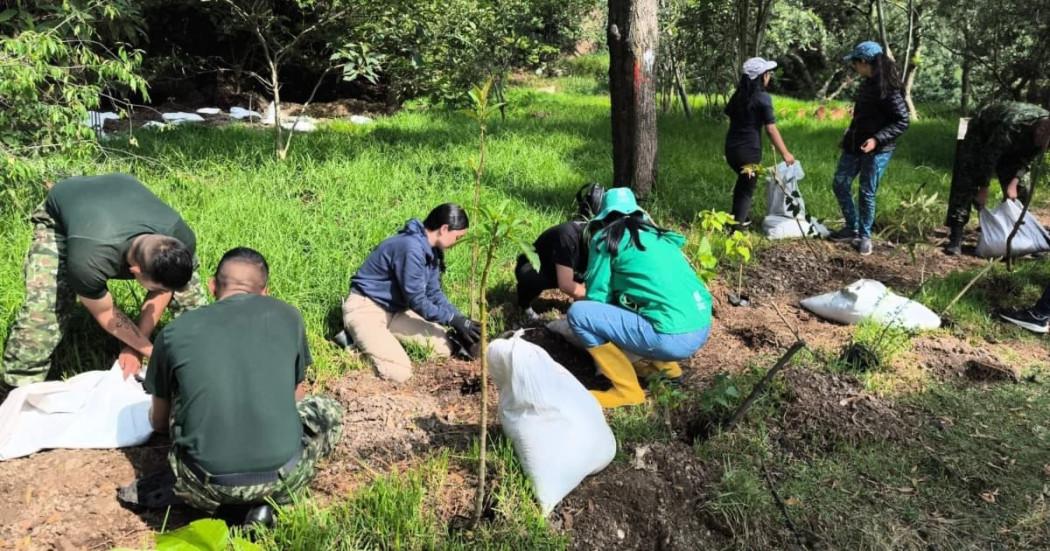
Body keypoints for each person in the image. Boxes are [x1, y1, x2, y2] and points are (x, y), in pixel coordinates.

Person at [144, 247, 342, 521]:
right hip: (284, 479)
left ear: (213, 286)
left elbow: (158, 422)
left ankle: (224, 509)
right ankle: (265, 506)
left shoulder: (174, 333)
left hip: (202, 486)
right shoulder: (289, 316)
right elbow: (296, 398)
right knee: (328, 409)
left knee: (182, 396)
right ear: (265, 292)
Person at [0, 173, 206, 388]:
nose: (163, 291)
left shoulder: (180, 238)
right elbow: (106, 313)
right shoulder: (89, 259)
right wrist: (154, 354)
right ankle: (17, 385)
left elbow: (164, 290)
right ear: (134, 271)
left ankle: (204, 364)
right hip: (64, 213)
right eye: (154, 286)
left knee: (192, 300)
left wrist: (136, 346)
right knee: (44, 310)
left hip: (119, 195)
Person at [567, 188, 713, 409]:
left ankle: (627, 390)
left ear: (604, 215)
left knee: (579, 315)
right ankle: (668, 369)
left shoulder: (606, 239)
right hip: (701, 326)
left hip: (670, 337)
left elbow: (597, 298)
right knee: (646, 303)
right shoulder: (659, 236)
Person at [342, 204, 481, 383]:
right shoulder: (411, 248)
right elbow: (418, 301)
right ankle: (353, 343)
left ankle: (382, 339)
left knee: (444, 347)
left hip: (396, 311)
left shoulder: (431, 251)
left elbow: (434, 293)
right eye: (458, 237)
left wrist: (460, 319)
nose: (457, 242)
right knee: (400, 373)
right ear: (444, 229)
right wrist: (452, 319)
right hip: (366, 307)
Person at [829, 41, 910, 256]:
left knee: (866, 191)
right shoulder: (866, 83)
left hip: (877, 150)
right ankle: (851, 227)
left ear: (864, 62)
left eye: (855, 63)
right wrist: (849, 133)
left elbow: (902, 121)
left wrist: (877, 139)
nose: (854, 68)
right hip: (855, 144)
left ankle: (865, 236)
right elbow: (861, 115)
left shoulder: (889, 89)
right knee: (840, 183)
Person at [944, 102, 1050, 255]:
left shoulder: (1044, 133)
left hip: (1016, 148)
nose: (1047, 148)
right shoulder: (1011, 124)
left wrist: (1014, 182)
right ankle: (956, 237)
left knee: (1022, 191)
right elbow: (989, 156)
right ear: (1041, 130)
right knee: (966, 181)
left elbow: (1029, 158)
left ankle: (1020, 237)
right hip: (981, 135)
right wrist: (983, 188)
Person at [724, 57, 796, 228]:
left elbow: (731, 118)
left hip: (731, 150)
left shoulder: (737, 96)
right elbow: (771, 129)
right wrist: (785, 153)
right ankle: (737, 230)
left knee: (743, 183)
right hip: (749, 153)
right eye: (768, 73)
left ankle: (738, 217)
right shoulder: (763, 98)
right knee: (747, 189)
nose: (769, 76)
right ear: (762, 77)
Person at [514, 184, 605, 317]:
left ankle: (580, 305)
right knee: (533, 278)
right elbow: (566, 285)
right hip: (535, 267)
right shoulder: (568, 236)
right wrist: (596, 299)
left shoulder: (597, 237)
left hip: (564, 268)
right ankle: (524, 305)